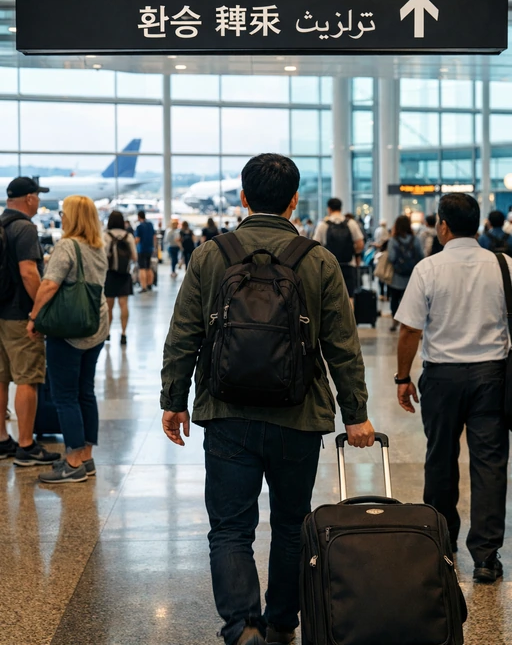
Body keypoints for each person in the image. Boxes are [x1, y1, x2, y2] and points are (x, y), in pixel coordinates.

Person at [161, 153, 374, 645]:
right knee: (290, 524)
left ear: (243, 197)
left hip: (228, 412)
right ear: (295, 201)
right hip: (297, 416)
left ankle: (242, 625)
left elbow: (184, 333)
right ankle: (281, 621)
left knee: (231, 528)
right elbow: (343, 345)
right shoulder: (316, 258)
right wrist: (357, 414)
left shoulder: (212, 254)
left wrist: (173, 398)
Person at [394, 193, 512, 584]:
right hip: (492, 378)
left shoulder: (429, 268)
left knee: (440, 458)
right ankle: (487, 557)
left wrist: (402, 377)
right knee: (490, 464)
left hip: (442, 379)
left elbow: (410, 330)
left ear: (442, 226)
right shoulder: (504, 266)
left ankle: (441, 543)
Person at [27, 195, 109, 484]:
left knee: (65, 396)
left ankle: (72, 463)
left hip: (69, 330)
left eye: (63, 212)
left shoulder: (67, 246)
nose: (60, 216)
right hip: (96, 325)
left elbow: (49, 285)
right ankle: (86, 457)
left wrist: (35, 317)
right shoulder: (100, 246)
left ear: (72, 217)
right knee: (86, 391)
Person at [0, 177, 60, 466]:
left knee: (1, 378)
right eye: (37, 195)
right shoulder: (25, 228)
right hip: (19, 315)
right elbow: (28, 273)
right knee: (28, 379)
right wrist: (40, 312)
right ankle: (26, 445)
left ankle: (2, 440)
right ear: (29, 198)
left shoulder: (2, 223)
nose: (38, 200)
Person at [313, 198, 364, 305]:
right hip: (348, 265)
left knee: (329, 298)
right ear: (341, 208)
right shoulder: (351, 223)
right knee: (349, 297)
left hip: (328, 266)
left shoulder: (323, 225)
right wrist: (351, 251)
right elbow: (360, 244)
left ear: (329, 209)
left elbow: (315, 246)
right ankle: (349, 321)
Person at [103, 210, 137, 346]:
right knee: (124, 305)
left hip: (110, 274)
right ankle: (123, 334)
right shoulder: (128, 236)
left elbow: (102, 256)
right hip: (124, 274)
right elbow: (135, 257)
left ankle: (108, 333)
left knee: (108, 306)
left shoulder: (106, 236)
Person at [387, 215, 423, 332]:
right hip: (412, 276)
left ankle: (394, 320)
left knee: (394, 299)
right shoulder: (415, 239)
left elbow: (391, 257)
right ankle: (408, 322)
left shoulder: (393, 240)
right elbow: (421, 256)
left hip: (397, 276)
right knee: (410, 300)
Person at [135, 210, 156, 293]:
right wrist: (154, 247)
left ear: (139, 217)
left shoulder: (139, 227)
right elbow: (154, 237)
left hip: (141, 249)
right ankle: (149, 284)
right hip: (150, 249)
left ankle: (143, 286)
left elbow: (137, 239)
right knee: (148, 267)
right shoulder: (150, 225)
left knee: (142, 268)